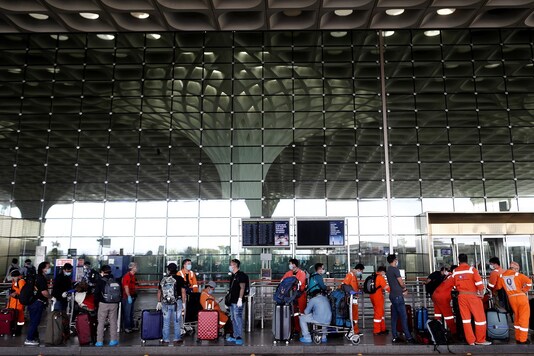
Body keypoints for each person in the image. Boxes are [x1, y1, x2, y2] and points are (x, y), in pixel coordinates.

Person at [451, 253, 491, 346]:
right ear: (467, 260)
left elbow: (453, 285)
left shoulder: (455, 271)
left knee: (466, 320)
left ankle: (470, 341)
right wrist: (481, 293)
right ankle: (480, 340)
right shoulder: (472, 270)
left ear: (458, 260)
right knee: (480, 319)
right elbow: (479, 284)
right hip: (473, 296)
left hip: (461, 297)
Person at [494, 261, 532, 344]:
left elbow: (498, 287)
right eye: (517, 269)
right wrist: (524, 290)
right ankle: (523, 339)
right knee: (524, 318)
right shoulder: (518, 275)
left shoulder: (501, 276)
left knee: (517, 317)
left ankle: (518, 337)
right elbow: (529, 282)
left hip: (511, 299)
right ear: (515, 268)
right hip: (521, 297)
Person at [385, 254, 415, 344]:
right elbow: (401, 282)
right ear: (395, 260)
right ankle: (408, 337)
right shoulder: (395, 269)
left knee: (394, 317)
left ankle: (394, 336)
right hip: (398, 296)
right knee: (403, 317)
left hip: (392, 296)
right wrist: (405, 289)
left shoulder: (388, 270)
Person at [156, 262, 186, 346]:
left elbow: (159, 291)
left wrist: (159, 301)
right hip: (177, 302)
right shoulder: (179, 278)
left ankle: (165, 339)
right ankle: (176, 339)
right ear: (176, 270)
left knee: (166, 322)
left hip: (165, 303)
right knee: (177, 321)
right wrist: (183, 303)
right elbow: (183, 292)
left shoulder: (163, 279)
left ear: (168, 270)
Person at [24, 261, 51, 346]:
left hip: (32, 302)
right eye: (48, 267)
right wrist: (50, 297)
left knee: (33, 321)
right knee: (35, 321)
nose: (49, 269)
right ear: (43, 269)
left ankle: (34, 337)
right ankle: (29, 339)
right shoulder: (41, 278)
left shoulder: (36, 277)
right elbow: (44, 292)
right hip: (38, 303)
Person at [94, 265, 120, 347]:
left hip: (103, 303)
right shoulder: (115, 280)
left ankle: (99, 341)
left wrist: (96, 304)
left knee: (101, 322)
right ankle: (113, 340)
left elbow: (96, 294)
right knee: (113, 322)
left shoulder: (100, 281)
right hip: (114, 303)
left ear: (102, 272)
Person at [226, 258, 249, 346]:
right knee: (233, 319)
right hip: (232, 301)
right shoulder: (233, 275)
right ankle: (235, 335)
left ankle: (239, 336)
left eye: (231, 264)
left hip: (237, 301)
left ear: (235, 265)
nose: (230, 266)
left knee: (237, 318)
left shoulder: (241, 275)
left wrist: (240, 299)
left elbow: (242, 287)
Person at [281, 258, 307, 333]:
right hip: (291, 295)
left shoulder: (302, 273)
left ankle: (303, 329)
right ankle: (295, 328)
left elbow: (300, 283)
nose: (289, 265)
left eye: (290, 263)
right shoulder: (288, 273)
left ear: (294, 265)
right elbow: (282, 281)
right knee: (293, 312)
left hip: (300, 295)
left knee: (302, 312)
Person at [431, 265, 457, 335]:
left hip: (435, 295)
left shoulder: (448, 276)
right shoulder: (453, 277)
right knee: (449, 315)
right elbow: (457, 287)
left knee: (437, 314)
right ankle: (454, 332)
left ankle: (437, 330)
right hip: (442, 297)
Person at [341, 263, 365, 336]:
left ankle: (355, 330)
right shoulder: (350, 275)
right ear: (358, 269)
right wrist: (351, 292)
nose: (361, 273)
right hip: (351, 298)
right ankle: (352, 330)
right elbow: (344, 285)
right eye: (362, 271)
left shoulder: (354, 276)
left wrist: (358, 290)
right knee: (352, 314)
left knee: (355, 314)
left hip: (354, 298)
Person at [370, 266, 390, 335]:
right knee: (378, 313)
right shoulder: (380, 277)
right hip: (378, 296)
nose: (384, 274)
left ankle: (382, 328)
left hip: (372, 296)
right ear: (382, 271)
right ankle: (377, 331)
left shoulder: (373, 276)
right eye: (384, 273)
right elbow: (386, 287)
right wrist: (394, 291)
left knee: (380, 312)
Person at [122, 262, 138, 333]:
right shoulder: (127, 276)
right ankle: (127, 327)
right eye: (135, 266)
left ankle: (131, 326)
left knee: (131, 312)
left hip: (132, 296)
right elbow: (126, 287)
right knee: (127, 313)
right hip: (127, 297)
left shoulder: (133, 276)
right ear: (131, 268)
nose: (136, 268)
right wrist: (128, 296)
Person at [7, 270, 25, 335]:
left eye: (13, 277)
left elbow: (22, 292)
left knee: (19, 317)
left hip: (18, 303)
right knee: (12, 316)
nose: (12, 278)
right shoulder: (14, 281)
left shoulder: (21, 281)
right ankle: (12, 330)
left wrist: (15, 293)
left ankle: (18, 331)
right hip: (12, 303)